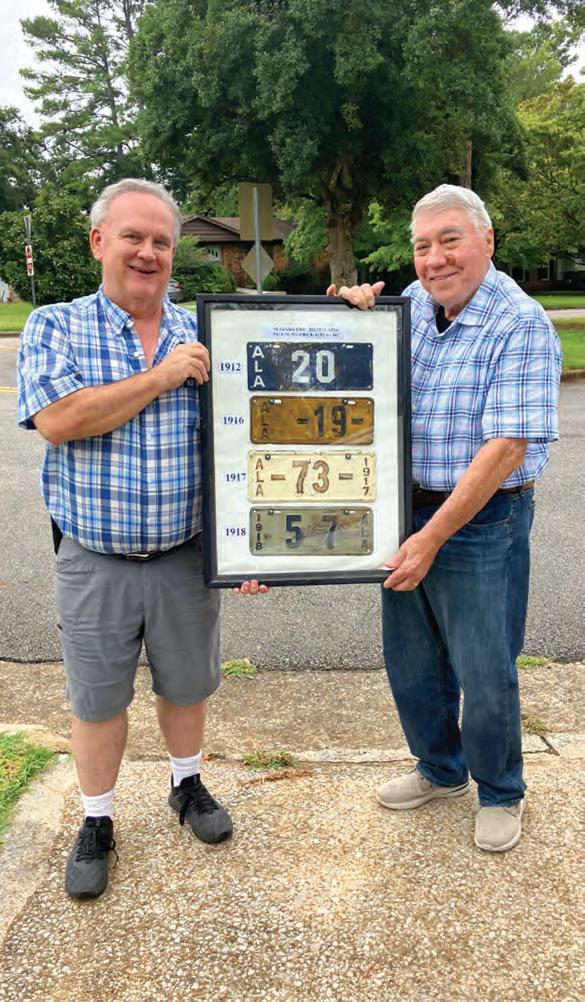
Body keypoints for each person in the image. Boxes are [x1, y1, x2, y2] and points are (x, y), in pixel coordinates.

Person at [17, 178, 267, 900]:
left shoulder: (207, 332)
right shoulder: (56, 325)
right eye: (133, 236)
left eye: (162, 240)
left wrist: (247, 547)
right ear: (99, 242)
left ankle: (186, 785)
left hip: (186, 556)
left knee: (187, 686)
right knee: (97, 699)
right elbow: (60, 419)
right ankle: (96, 818)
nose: (148, 252)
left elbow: (249, 439)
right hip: (95, 559)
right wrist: (160, 377)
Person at [328, 184, 561, 852]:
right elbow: (358, 374)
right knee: (412, 660)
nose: (434, 259)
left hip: (483, 520)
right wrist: (355, 314)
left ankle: (500, 790)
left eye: (449, 240)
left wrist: (431, 537)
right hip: (403, 509)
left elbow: (505, 448)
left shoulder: (518, 323)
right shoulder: (410, 305)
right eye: (422, 245)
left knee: (484, 667)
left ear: (486, 240)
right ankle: (439, 768)